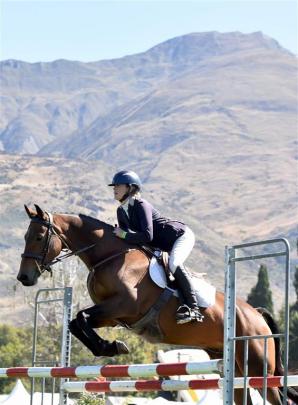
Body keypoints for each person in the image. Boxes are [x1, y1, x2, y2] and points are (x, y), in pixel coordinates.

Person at [108, 169, 204, 324]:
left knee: (174, 263)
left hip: (179, 236)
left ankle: (193, 308)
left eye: (118, 185)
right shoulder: (121, 211)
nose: (114, 188)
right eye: (114, 186)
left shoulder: (141, 204)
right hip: (161, 245)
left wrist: (123, 235)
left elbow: (147, 236)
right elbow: (128, 240)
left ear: (130, 188)